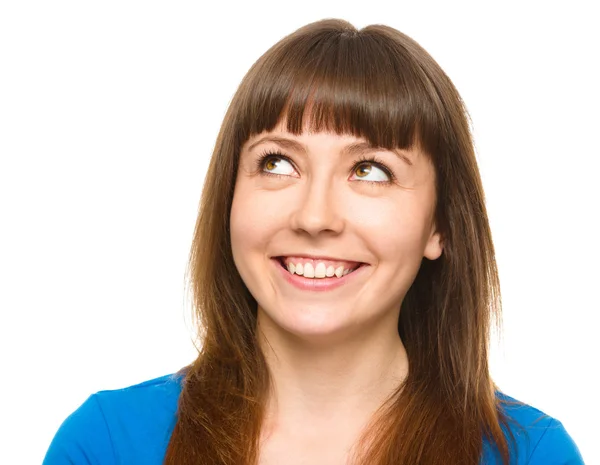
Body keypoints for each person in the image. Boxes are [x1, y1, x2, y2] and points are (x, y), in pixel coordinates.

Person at [42, 18, 585, 465]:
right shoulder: (104, 445)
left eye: (371, 170)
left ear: (439, 225)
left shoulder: (533, 455)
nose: (315, 215)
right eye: (277, 164)